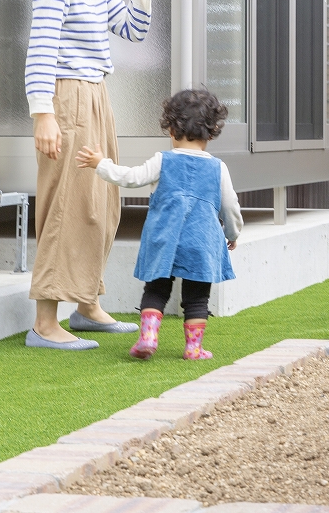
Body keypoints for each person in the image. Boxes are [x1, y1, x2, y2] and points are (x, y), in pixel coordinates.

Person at [24, 0, 154, 351]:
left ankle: (86, 304)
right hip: (66, 98)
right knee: (67, 205)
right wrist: (43, 115)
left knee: (103, 201)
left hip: (97, 96)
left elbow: (133, 31)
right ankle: (44, 322)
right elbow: (40, 50)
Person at [76, 89, 242, 360]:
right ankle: (194, 348)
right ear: (211, 134)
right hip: (201, 241)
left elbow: (130, 178)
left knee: (156, 289)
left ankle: (148, 337)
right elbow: (230, 207)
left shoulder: (162, 160)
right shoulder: (218, 168)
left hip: (163, 238)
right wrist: (232, 233)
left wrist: (100, 164)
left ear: (171, 129)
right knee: (197, 297)